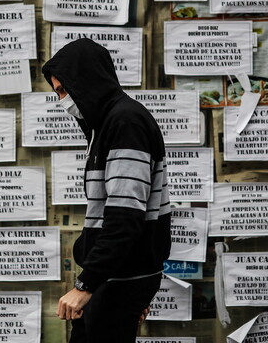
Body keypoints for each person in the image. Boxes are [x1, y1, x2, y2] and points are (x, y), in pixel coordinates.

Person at [42, 38, 172, 343]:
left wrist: (85, 285)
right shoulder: (107, 124)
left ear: (86, 81)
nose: (62, 100)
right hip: (116, 277)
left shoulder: (125, 122)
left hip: (119, 279)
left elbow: (125, 217)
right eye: (57, 93)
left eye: (64, 90)